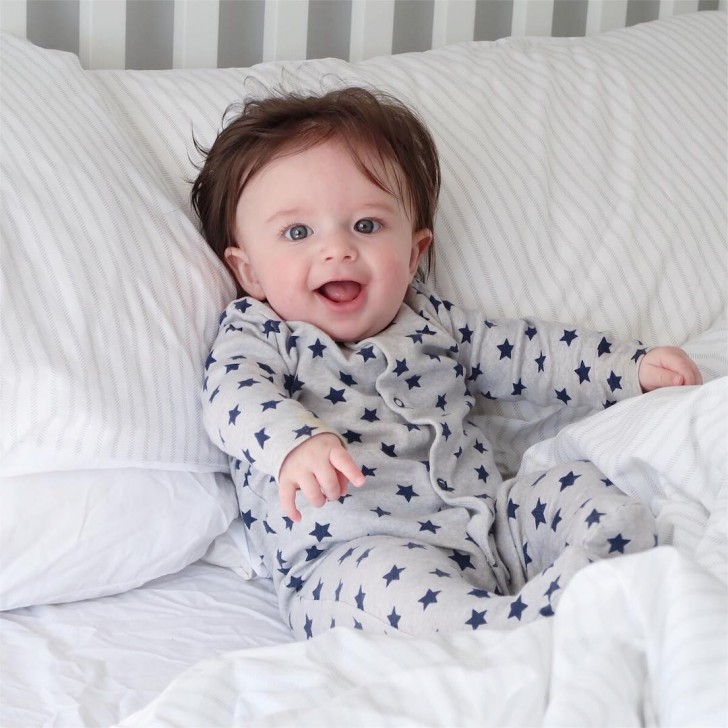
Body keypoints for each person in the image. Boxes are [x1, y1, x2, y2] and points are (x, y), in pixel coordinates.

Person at [191, 87, 703, 639]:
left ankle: (605, 582)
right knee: (393, 591)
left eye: (366, 225)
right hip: (348, 560)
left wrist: (629, 367)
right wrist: (294, 441)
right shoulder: (262, 333)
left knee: (582, 490)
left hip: (492, 529)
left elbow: (532, 350)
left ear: (413, 255)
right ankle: (521, 632)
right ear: (250, 273)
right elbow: (231, 398)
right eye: (298, 232)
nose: (337, 249)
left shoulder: (432, 322)